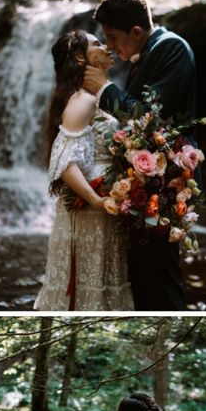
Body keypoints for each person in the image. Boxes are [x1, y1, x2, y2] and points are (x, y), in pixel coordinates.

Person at [84, 0, 197, 310]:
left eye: (112, 37)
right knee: (143, 277)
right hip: (144, 184)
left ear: (136, 31)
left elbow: (150, 116)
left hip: (167, 183)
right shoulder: (147, 52)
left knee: (159, 278)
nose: (109, 47)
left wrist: (104, 90)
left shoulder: (171, 48)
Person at [34, 29, 133, 311]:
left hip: (102, 208)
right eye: (97, 44)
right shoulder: (83, 100)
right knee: (85, 289)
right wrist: (95, 200)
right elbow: (64, 162)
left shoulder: (89, 96)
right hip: (90, 210)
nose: (106, 47)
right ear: (80, 58)